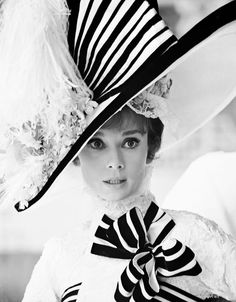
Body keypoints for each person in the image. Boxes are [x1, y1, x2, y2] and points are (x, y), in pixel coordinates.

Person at [0, 0, 236, 301]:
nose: (115, 162)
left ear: (152, 144)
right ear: (75, 154)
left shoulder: (199, 239)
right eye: (97, 143)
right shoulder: (60, 259)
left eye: (130, 142)